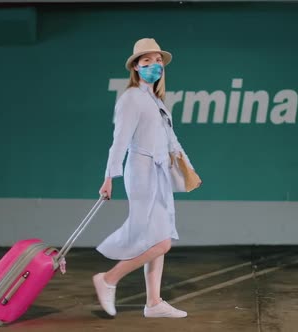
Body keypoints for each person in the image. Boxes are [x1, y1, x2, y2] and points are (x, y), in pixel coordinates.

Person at [93, 38, 200, 319]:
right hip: (140, 171)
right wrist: (109, 177)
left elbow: (170, 139)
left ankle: (153, 303)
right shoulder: (131, 98)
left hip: (159, 171)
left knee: (159, 235)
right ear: (136, 68)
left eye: (158, 60)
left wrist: (187, 168)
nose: (155, 65)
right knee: (160, 241)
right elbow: (119, 142)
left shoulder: (155, 100)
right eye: (147, 61)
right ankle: (109, 279)